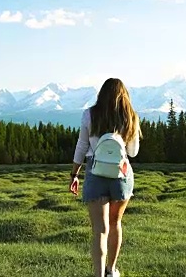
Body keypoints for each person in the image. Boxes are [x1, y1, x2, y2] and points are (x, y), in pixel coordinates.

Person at [69, 78, 142, 277]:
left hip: (95, 171)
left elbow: (82, 147)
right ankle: (112, 270)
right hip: (121, 173)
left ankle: (99, 274)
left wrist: (74, 174)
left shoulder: (89, 114)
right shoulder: (131, 116)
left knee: (99, 230)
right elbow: (133, 152)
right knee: (115, 223)